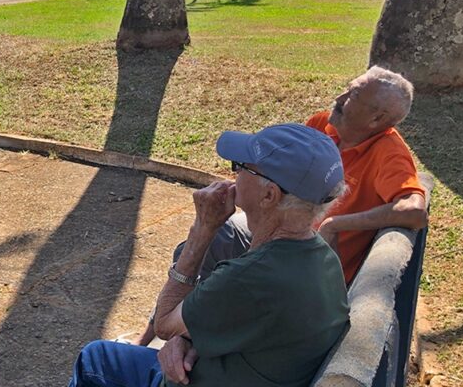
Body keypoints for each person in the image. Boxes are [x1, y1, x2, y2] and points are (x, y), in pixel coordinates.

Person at [133, 66, 427, 346]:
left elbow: (414, 210)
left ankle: (178, 332)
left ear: (377, 119)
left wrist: (335, 224)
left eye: (351, 96)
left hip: (301, 254)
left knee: (217, 256)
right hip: (280, 231)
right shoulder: (322, 125)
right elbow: (276, 169)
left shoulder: (390, 153)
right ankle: (158, 337)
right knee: (207, 242)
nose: (338, 98)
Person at [69, 124, 350, 387]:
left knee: (97, 358)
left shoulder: (250, 278)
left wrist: (204, 228)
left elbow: (165, 323)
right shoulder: (323, 258)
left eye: (240, 168)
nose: (233, 176)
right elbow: (239, 321)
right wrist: (189, 339)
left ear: (269, 196)